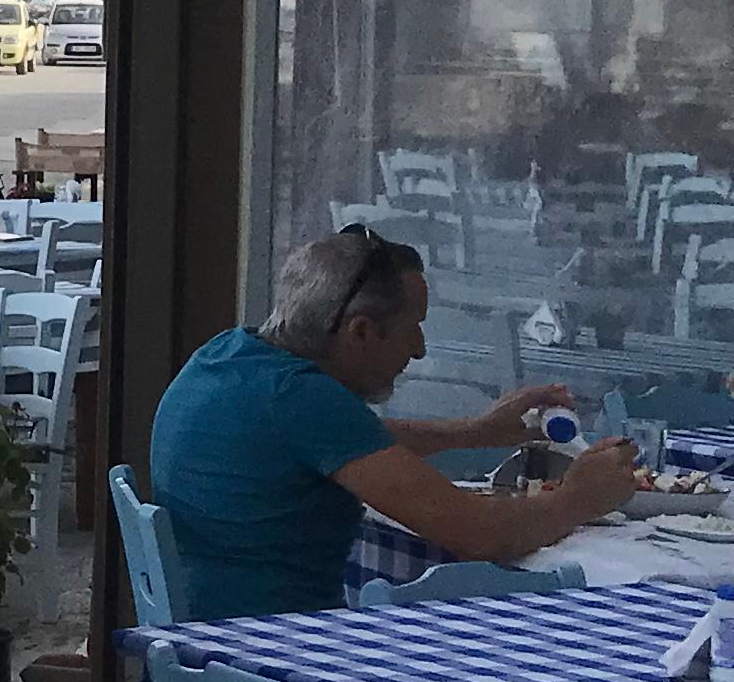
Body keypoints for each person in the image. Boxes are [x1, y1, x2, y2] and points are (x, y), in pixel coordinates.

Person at [145, 223, 637, 618]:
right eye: (412, 328)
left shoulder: (229, 355)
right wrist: (580, 497)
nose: (420, 349)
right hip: (275, 656)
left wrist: (478, 431)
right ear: (360, 331)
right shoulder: (303, 399)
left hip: (206, 648)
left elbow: (351, 443)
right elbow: (478, 534)